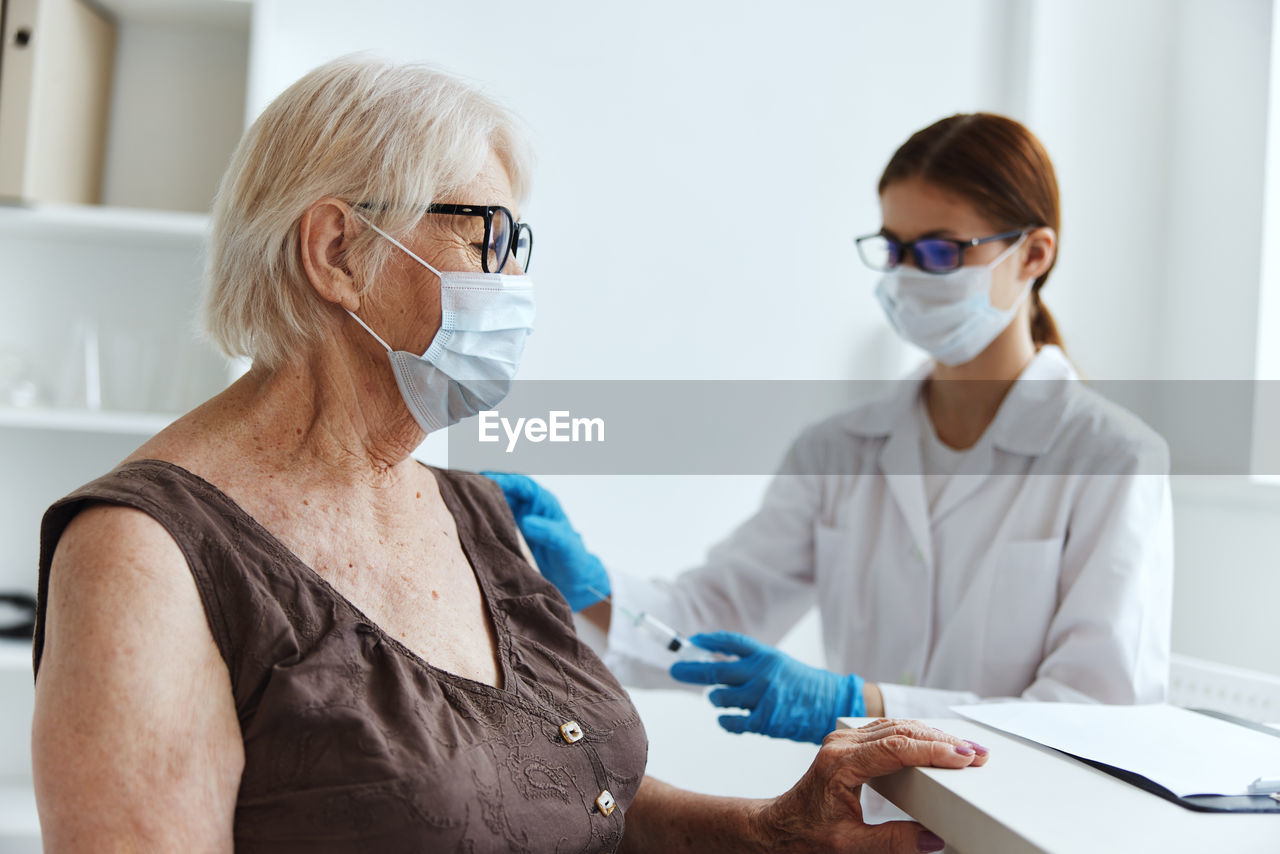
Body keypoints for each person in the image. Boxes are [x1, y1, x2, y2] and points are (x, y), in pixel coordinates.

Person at [29, 56, 987, 854]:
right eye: (485, 232)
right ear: (337, 251)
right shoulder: (147, 554)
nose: (516, 277)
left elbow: (568, 802)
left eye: (519, 239)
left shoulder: (475, 513)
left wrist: (767, 832)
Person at [489, 112, 1173, 744]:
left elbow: (1098, 718)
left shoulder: (1113, 459)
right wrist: (588, 584)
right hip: (865, 822)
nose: (908, 276)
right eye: (894, 249)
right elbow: (715, 617)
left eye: (939, 252)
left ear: (1033, 255)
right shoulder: (838, 451)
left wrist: (870, 706)